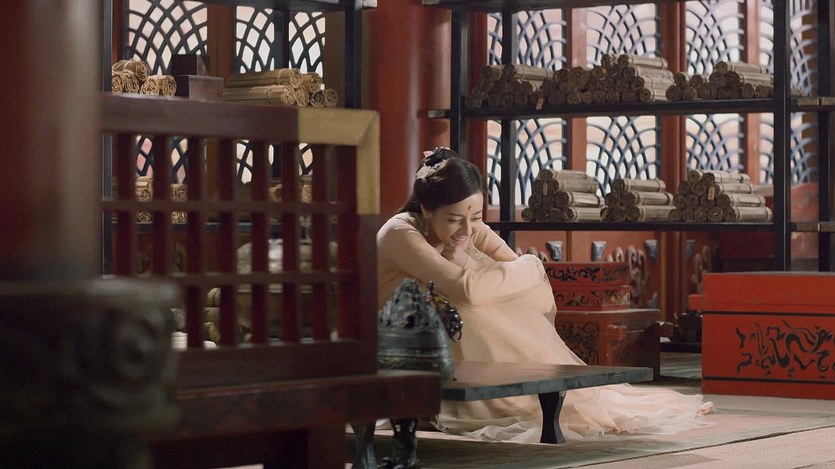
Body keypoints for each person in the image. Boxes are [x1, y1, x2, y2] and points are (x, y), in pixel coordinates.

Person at [376, 147, 713, 442]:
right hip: (403, 336)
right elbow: (469, 288)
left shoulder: (466, 225)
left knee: (504, 305)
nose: (467, 229)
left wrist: (522, 268)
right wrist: (530, 266)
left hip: (442, 325)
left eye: (476, 217)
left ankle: (536, 394)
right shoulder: (400, 232)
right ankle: (506, 402)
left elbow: (529, 284)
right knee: (474, 310)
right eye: (454, 220)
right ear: (426, 209)